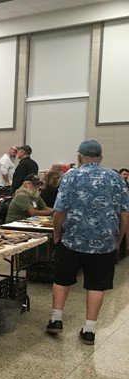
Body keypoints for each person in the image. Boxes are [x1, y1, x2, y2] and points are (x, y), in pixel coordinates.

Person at [47, 140, 129, 345]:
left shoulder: (71, 176)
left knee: (62, 279)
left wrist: (57, 234)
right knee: (96, 286)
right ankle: (89, 330)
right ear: (101, 158)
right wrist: (119, 239)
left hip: (72, 240)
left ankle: (56, 319)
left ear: (79, 157)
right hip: (104, 243)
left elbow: (59, 211)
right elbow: (125, 215)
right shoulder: (116, 178)